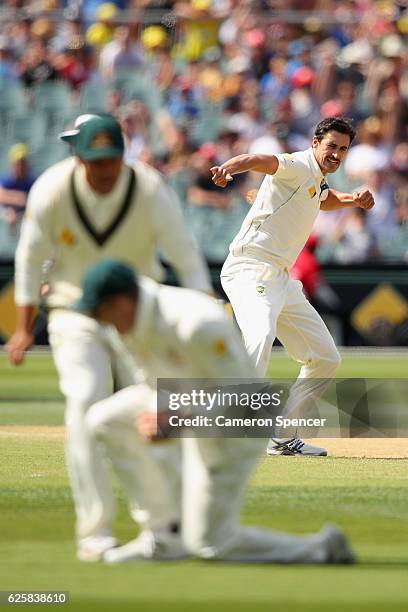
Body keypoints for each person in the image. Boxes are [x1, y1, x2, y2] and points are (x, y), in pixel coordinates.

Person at [6, 113, 212, 562]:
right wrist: (23, 328)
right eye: (95, 162)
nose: (104, 172)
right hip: (73, 312)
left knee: (161, 406)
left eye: (112, 161)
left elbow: (186, 257)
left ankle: (166, 524)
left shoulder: (151, 187)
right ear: (78, 157)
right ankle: (95, 531)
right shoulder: (51, 190)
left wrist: (198, 315)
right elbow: (29, 258)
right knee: (85, 401)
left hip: (142, 314)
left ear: (124, 155)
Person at [81, 258, 355, 564]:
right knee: (102, 420)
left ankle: (322, 548)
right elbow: (153, 386)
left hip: (236, 429)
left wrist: (179, 421)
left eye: (100, 312)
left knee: (211, 543)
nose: (100, 321)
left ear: (120, 302)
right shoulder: (126, 323)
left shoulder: (195, 324)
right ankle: (162, 536)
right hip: (184, 407)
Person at [211, 117, 375, 456]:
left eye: (343, 149)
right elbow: (261, 160)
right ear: (315, 143)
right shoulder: (298, 164)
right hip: (250, 267)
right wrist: (228, 167)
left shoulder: (316, 179)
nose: (337, 154)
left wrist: (353, 199)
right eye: (332, 146)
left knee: (325, 357)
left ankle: (283, 437)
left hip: (281, 279)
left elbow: (323, 199)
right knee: (260, 333)